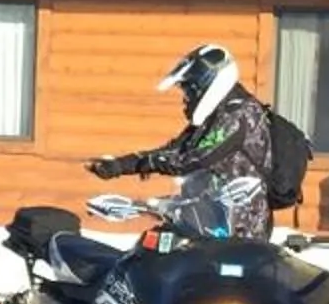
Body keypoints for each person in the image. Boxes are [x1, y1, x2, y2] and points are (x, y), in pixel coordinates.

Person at [86, 42, 277, 241]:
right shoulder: (216, 116)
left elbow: (193, 159)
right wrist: (121, 164)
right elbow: (176, 149)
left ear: (207, 85)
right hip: (205, 224)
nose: (186, 100)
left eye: (190, 92)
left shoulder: (239, 114)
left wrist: (147, 165)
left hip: (238, 230)